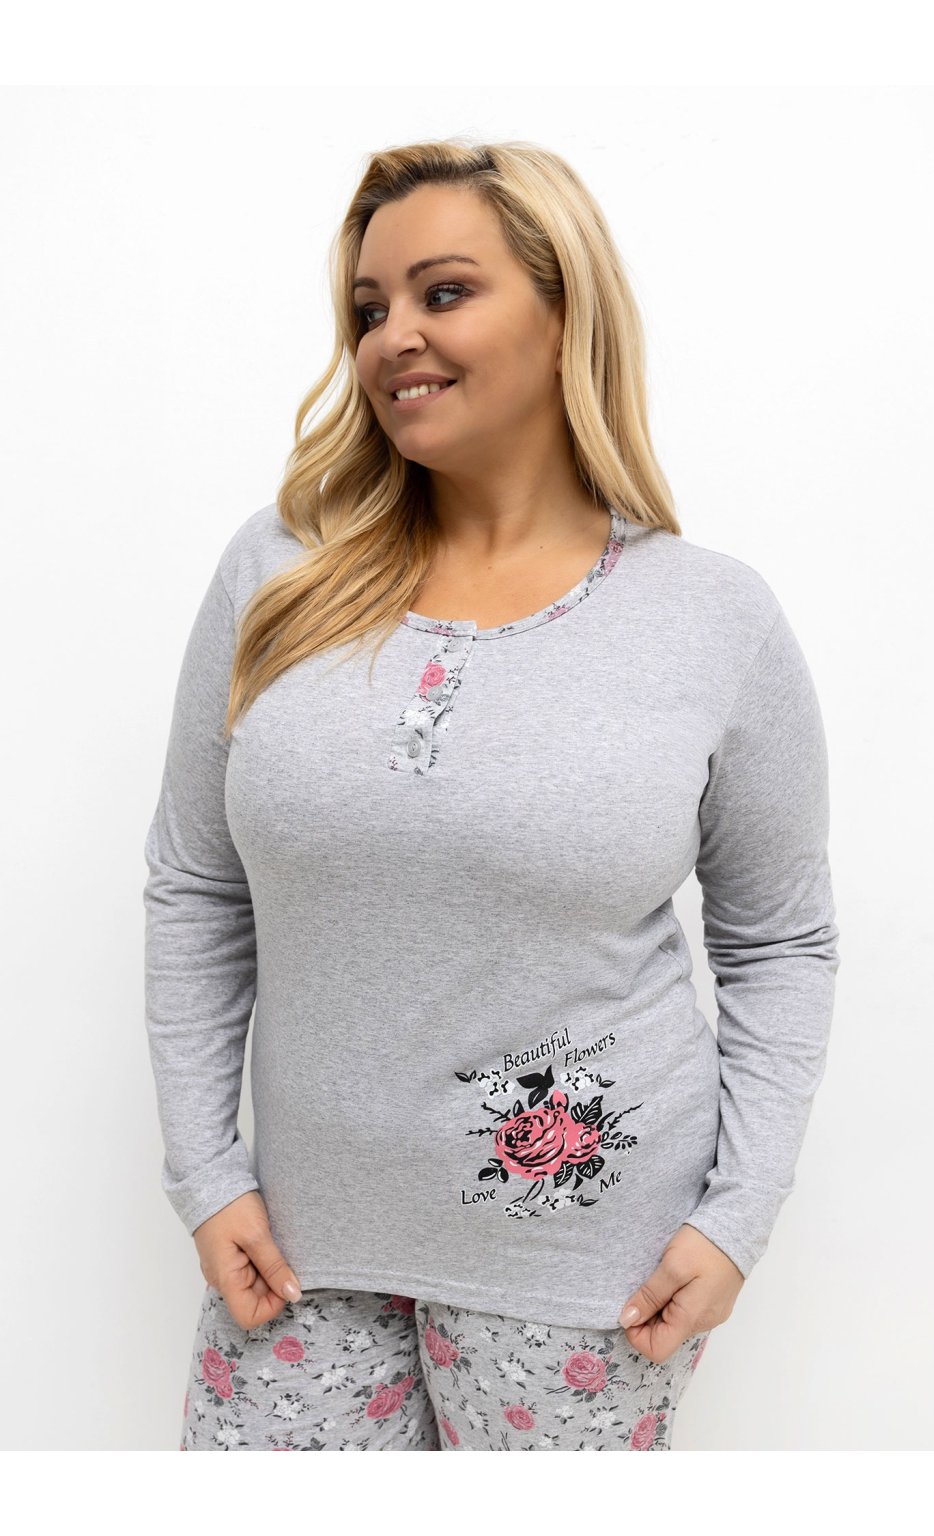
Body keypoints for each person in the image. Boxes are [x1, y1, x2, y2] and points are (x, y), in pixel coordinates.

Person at [144, 137, 841, 1452]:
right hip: (293, 1250)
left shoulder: (710, 619)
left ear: (565, 308)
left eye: (444, 291)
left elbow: (780, 938)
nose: (392, 336)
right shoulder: (279, 574)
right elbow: (195, 881)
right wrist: (206, 1172)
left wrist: (739, 1215)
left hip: (592, 1275)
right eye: (369, 309)